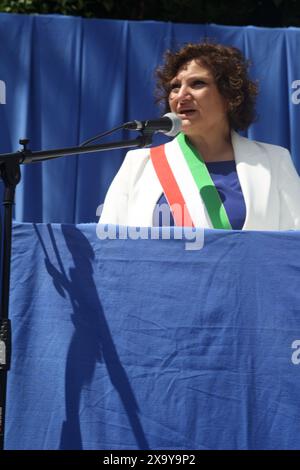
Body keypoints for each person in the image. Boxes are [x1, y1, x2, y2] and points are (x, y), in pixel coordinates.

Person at [99, 43, 300, 230]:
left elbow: (293, 245)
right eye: (175, 87)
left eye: (197, 84)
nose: (181, 95)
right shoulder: (140, 164)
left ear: (229, 97)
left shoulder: (274, 161)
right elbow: (109, 247)